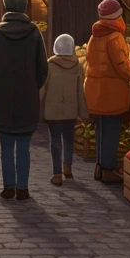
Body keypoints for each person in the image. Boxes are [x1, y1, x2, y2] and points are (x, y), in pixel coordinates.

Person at [0, 0, 48, 201]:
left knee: (6, 146)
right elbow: (42, 68)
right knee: (24, 148)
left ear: (7, 6)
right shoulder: (34, 32)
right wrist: (32, 85)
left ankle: (8, 187)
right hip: (27, 97)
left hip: (3, 97)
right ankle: (23, 189)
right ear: (24, 6)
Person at [84, 0, 130, 183]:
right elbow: (122, 65)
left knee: (102, 129)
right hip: (111, 91)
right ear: (118, 16)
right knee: (111, 130)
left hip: (95, 90)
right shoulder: (115, 36)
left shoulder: (96, 35)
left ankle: (100, 167)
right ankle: (108, 169)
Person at [43, 33, 89, 185]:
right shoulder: (78, 66)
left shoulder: (49, 66)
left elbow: (42, 90)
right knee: (69, 140)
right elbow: (80, 92)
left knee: (55, 141)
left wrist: (35, 107)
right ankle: (67, 168)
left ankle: (57, 174)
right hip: (71, 110)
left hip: (52, 111)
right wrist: (83, 113)